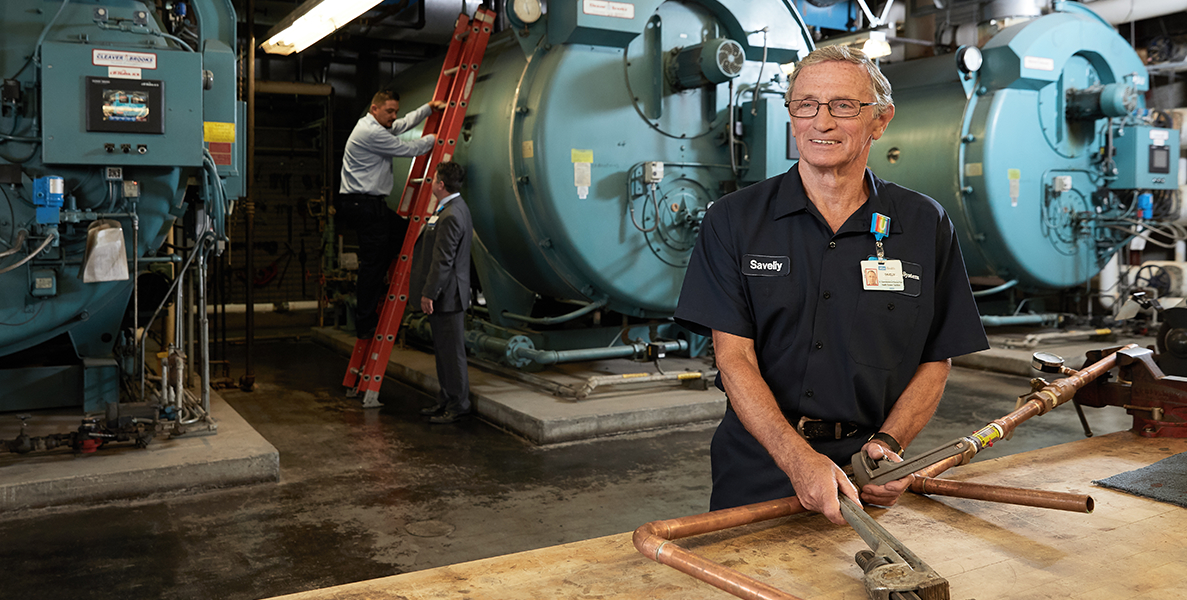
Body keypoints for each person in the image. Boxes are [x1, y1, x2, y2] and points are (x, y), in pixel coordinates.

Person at [674, 46, 988, 524]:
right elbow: (733, 358)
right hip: (757, 464)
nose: (821, 122)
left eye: (843, 106)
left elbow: (936, 358)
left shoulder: (924, 223)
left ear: (881, 121)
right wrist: (798, 459)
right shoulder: (734, 221)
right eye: (805, 105)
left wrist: (888, 444)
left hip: (868, 469)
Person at [338, 90, 446, 340]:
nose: (393, 116)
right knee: (372, 265)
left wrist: (428, 107)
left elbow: (402, 124)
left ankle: (381, 282)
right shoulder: (370, 132)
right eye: (389, 111)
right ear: (374, 109)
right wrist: (435, 140)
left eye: (395, 110)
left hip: (368, 204)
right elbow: (406, 149)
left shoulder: (375, 124)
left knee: (403, 234)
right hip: (362, 205)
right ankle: (365, 324)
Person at [409, 161, 473, 424]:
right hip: (445, 294)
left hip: (447, 295)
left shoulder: (451, 215)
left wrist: (429, 293)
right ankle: (446, 398)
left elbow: (443, 261)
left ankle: (459, 404)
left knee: (452, 352)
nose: (431, 182)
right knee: (444, 350)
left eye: (434, 178)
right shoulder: (449, 209)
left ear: (441, 185)